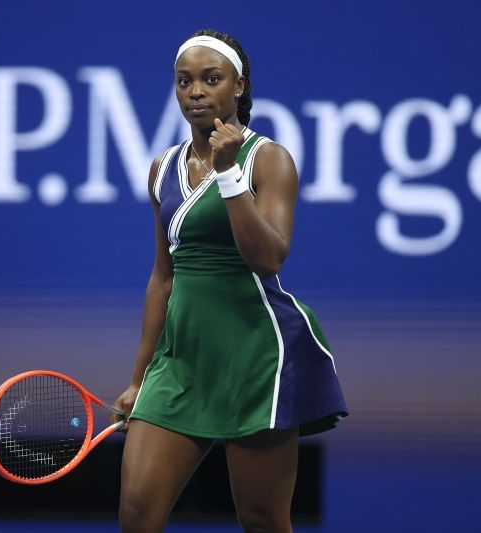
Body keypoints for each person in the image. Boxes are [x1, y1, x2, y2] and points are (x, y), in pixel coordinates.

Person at [113, 29, 348, 533]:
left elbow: (268, 258)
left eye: (210, 79)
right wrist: (138, 378)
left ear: (237, 87)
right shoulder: (162, 168)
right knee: (136, 515)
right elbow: (162, 278)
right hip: (181, 363)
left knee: (262, 519)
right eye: (184, 81)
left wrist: (228, 176)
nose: (195, 91)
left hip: (256, 357)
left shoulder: (268, 159)